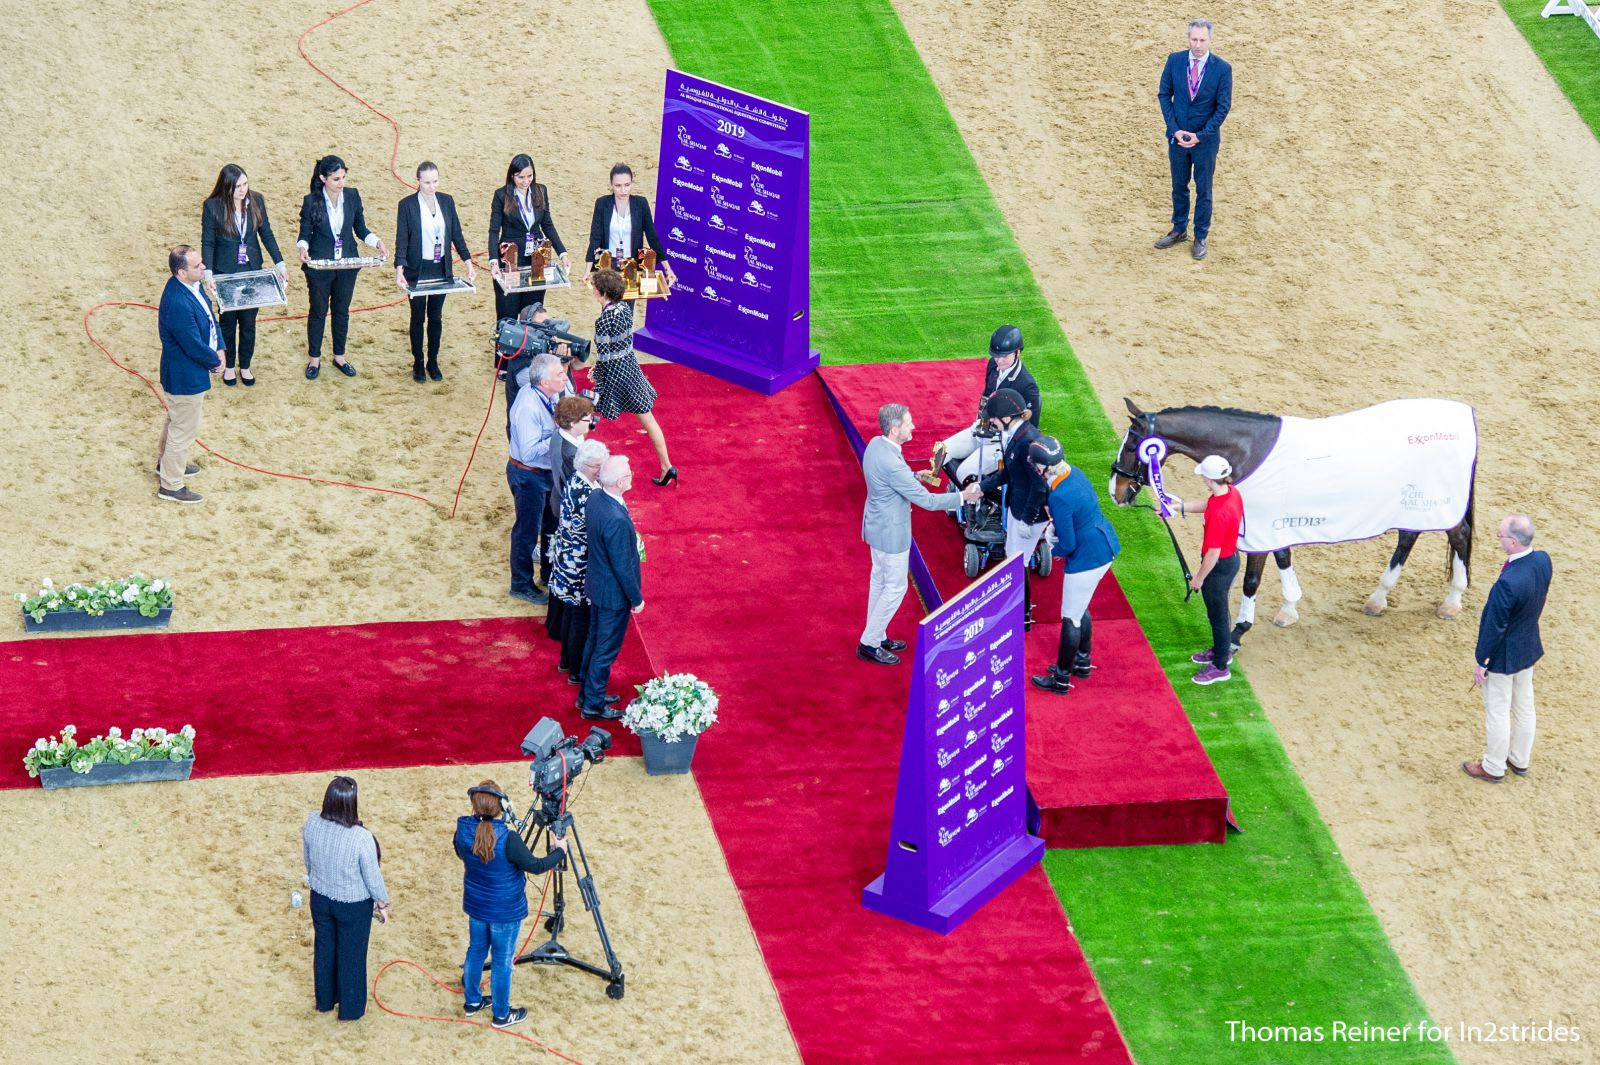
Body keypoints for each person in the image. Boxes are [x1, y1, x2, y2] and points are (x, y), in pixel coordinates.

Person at [859, 404, 982, 665]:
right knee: (895, 588)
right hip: (892, 534)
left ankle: (877, 635)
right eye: (908, 423)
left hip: (876, 528)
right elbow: (927, 501)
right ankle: (869, 643)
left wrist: (914, 475)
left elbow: (892, 478)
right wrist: (963, 496)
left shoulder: (876, 445)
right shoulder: (892, 462)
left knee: (879, 583)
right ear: (895, 429)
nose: (913, 426)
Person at [454, 780, 567, 1030]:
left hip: (476, 906)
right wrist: (559, 851)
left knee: (475, 952)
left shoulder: (462, 829)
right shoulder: (509, 839)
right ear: (502, 807)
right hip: (505, 912)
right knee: (503, 961)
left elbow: (461, 853)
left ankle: (472, 1002)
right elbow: (536, 866)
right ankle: (502, 1015)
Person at [1027, 437, 1121, 694]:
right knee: (1080, 608)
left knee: (1070, 617)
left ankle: (1061, 679)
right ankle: (1081, 661)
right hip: (1104, 545)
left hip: (1087, 558)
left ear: (1043, 468)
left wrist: (1050, 549)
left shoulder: (1060, 497)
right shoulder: (1075, 474)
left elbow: (1067, 544)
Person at [1463, 515, 1553, 783]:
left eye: (1500, 535)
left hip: (1504, 655)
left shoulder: (1508, 583)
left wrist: (1483, 662)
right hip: (1527, 646)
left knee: (1498, 710)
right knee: (1524, 705)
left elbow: (1495, 626)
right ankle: (1519, 759)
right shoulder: (1543, 560)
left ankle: (1493, 766)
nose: (1498, 538)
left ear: (1513, 542)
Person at [302, 776, 389, 1021]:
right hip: (353, 905)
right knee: (352, 956)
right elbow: (372, 876)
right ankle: (350, 1011)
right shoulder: (362, 837)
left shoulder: (311, 822)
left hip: (319, 898)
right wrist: (381, 903)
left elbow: (307, 861)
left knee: (324, 949)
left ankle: (325, 1002)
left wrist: (318, 881)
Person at [297, 154, 386, 380]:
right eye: (336, 179)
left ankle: (339, 356)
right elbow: (305, 233)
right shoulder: (311, 201)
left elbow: (361, 229)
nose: (341, 183)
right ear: (323, 178)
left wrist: (377, 243)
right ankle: (314, 358)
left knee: (341, 311)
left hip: (347, 265)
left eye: (343, 177)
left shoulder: (353, 196)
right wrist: (303, 248)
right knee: (318, 311)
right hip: (320, 266)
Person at [200, 164, 287, 386]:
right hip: (225, 271)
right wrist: (208, 272)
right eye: (237, 186)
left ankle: (245, 366)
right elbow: (208, 241)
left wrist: (280, 263)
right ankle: (229, 366)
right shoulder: (212, 207)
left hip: (251, 269)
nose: (242, 190)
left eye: (245, 184)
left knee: (248, 322)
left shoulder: (256, 200)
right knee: (227, 322)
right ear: (226, 187)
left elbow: (266, 233)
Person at [588, 268, 676, 485]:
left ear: (601, 293)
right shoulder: (626, 309)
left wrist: (595, 373)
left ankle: (583, 464)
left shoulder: (604, 321)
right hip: (630, 368)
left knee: (585, 413)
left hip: (614, 375)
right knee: (649, 420)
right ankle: (667, 466)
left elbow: (605, 356)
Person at [1155, 18, 1233, 261]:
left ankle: (1200, 236)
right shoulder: (1174, 60)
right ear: (1188, 38)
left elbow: (1222, 108)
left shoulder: (1222, 68)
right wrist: (1175, 129)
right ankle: (1179, 230)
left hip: (1205, 142)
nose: (1198, 44)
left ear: (1210, 40)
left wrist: (1201, 136)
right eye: (1194, 39)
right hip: (1177, 138)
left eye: (1202, 40)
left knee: (1204, 190)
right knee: (1179, 186)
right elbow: (1164, 94)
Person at [931, 326, 1043, 486]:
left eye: (1005, 356)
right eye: (996, 356)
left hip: (1001, 442)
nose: (999, 360)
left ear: (1018, 352)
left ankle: (980, 506)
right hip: (983, 429)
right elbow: (987, 396)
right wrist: (979, 424)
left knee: (964, 473)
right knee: (941, 450)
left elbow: (1031, 428)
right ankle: (951, 488)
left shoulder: (1027, 386)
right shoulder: (993, 365)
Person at [395, 161, 474, 382]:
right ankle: (418, 362)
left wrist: (468, 261)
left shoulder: (447, 201)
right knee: (417, 317)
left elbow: (457, 234)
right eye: (427, 182)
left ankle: (433, 360)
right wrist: (399, 268)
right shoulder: (407, 205)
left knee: (436, 317)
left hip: (441, 268)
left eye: (435, 181)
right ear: (418, 181)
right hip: (417, 269)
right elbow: (402, 240)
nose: (432, 186)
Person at [156, 245, 223, 504]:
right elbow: (191, 343)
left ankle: (166, 466)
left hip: (187, 370)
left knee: (176, 422)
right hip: (185, 374)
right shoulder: (178, 302)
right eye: (197, 266)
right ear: (182, 272)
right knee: (183, 429)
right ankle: (171, 486)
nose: (203, 268)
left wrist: (220, 348)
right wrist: (214, 361)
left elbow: (208, 317)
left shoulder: (189, 286)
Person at [580, 455, 644, 719]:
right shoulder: (616, 519)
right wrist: (636, 598)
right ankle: (593, 704)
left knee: (594, 641)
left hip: (597, 584)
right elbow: (622, 566)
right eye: (628, 473)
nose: (631, 475)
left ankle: (588, 693)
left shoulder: (596, 498)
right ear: (620, 482)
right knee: (604, 651)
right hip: (612, 595)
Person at [977, 388, 1048, 627]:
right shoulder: (1016, 435)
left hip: (1029, 513)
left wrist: (1027, 519)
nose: (992, 423)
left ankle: (1024, 616)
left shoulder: (1028, 442)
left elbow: (1039, 487)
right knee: (1013, 557)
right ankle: (1018, 606)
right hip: (1018, 506)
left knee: (1019, 562)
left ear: (1007, 418)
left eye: (994, 419)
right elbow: (1008, 472)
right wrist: (982, 486)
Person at [1174, 455, 1244, 684]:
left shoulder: (1219, 514)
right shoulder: (1230, 493)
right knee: (1219, 614)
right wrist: (1178, 507)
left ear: (1209, 479)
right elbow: (1207, 504)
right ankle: (1220, 651)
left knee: (1218, 617)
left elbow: (1213, 554)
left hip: (1219, 567)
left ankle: (1220, 666)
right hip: (1228, 561)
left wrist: (1199, 578)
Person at [507, 354, 566, 606]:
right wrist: (560, 434)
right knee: (527, 532)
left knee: (551, 527)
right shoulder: (529, 406)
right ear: (544, 381)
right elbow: (530, 452)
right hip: (528, 475)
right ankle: (521, 584)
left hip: (545, 473)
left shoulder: (548, 394)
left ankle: (547, 573)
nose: (565, 377)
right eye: (559, 374)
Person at [488, 154, 570, 331]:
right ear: (512, 175)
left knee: (533, 315)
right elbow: (494, 230)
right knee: (507, 319)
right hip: (510, 259)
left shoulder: (541, 191)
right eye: (521, 177)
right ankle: (504, 359)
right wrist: (494, 261)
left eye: (529, 176)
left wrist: (562, 253)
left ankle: (531, 357)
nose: (526, 181)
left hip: (537, 259)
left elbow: (547, 224)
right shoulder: (501, 195)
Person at [550, 438, 610, 677]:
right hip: (579, 568)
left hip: (566, 561)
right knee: (581, 620)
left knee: (571, 615)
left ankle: (566, 661)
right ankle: (576, 670)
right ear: (591, 467)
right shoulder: (589, 494)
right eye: (600, 465)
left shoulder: (575, 481)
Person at [543, 395, 597, 643]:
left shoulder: (563, 437)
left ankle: (554, 622)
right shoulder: (570, 452)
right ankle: (559, 628)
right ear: (574, 422)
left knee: (559, 567)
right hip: (569, 514)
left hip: (559, 502)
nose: (592, 423)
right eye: (588, 419)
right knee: (568, 570)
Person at [583, 163, 674, 289]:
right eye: (618, 186)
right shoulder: (602, 204)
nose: (623, 190)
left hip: (632, 264)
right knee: (610, 306)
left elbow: (652, 236)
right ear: (611, 185)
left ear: (632, 183)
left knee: (628, 306)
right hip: (607, 266)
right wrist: (587, 270)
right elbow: (595, 239)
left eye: (627, 185)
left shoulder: (641, 204)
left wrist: (667, 268)